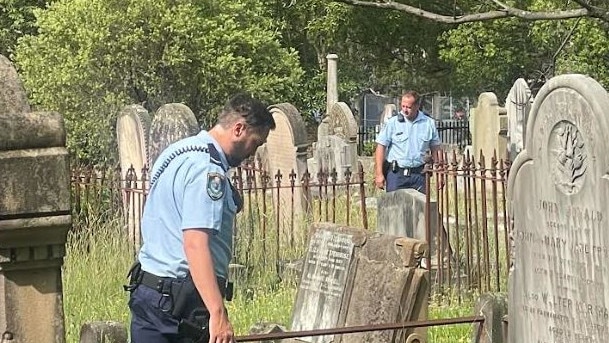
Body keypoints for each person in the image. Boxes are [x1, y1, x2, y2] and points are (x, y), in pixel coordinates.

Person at [125, 93, 276, 343]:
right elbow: (195, 243)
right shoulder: (208, 170)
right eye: (255, 142)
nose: (253, 152)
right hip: (179, 306)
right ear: (239, 128)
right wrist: (218, 314)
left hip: (149, 292)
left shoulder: (177, 152)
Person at [374, 90, 443, 193]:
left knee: (421, 208)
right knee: (394, 207)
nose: (405, 110)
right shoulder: (393, 123)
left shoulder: (428, 123)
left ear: (417, 106)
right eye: (403, 106)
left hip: (419, 174)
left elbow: (436, 149)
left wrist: (440, 173)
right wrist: (379, 174)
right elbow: (381, 147)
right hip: (396, 174)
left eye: (409, 107)